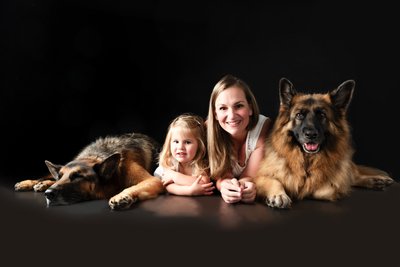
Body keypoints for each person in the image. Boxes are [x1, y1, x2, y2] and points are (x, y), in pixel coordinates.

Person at [207, 74, 272, 204]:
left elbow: (248, 176)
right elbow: (222, 175)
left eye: (238, 106)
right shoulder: (208, 131)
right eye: (223, 108)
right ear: (215, 114)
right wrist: (224, 186)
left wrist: (246, 188)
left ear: (250, 108)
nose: (231, 116)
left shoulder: (263, 126)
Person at [154, 113, 215, 196]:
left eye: (187, 142)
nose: (180, 147)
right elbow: (167, 186)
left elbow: (204, 182)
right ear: (169, 143)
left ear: (199, 145)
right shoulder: (169, 163)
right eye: (176, 141)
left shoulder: (200, 163)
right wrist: (189, 191)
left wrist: (175, 176)